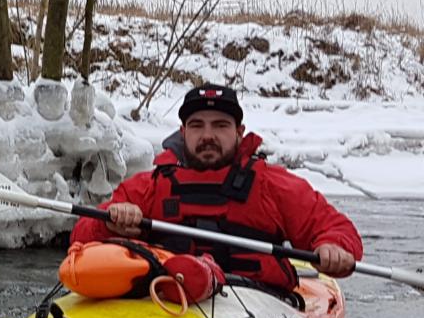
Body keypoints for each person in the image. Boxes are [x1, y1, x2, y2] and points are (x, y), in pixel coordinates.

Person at [70, 83, 362, 293]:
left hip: (258, 301)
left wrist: (333, 247)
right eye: (197, 126)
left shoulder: (272, 184)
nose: (207, 135)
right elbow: (80, 238)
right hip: (167, 295)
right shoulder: (150, 186)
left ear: (238, 132)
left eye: (220, 125)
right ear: (183, 132)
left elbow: (334, 227)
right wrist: (109, 224)